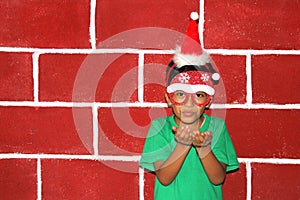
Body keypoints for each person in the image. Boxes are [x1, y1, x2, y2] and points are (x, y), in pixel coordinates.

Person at [140, 12, 239, 200]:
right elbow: (164, 177)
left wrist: (204, 149)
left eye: (199, 95)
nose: (189, 103)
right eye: (180, 94)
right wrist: (183, 145)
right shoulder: (160, 128)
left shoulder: (216, 128)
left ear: (208, 101)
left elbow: (218, 178)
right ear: (169, 99)